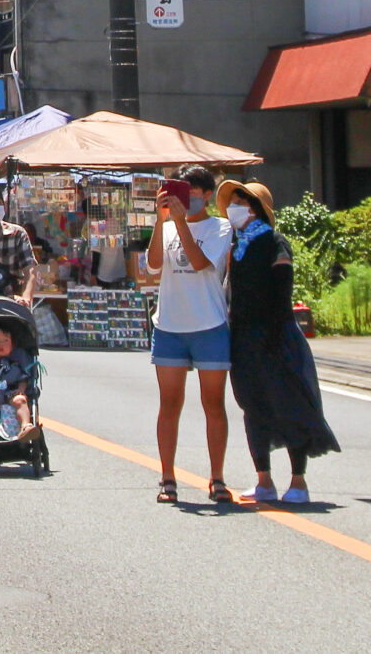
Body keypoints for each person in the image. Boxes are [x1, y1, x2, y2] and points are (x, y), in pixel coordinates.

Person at [218, 178, 341, 505]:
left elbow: (282, 289)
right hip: (242, 335)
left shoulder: (275, 241)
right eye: (235, 203)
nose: (235, 209)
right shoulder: (236, 244)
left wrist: (273, 332)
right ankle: (264, 480)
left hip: (276, 333)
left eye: (242, 203)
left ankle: (298, 481)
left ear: (257, 209)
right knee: (252, 406)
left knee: (289, 403)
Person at [146, 165, 233, 503]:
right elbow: (153, 265)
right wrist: (160, 219)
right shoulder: (167, 227)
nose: (185, 201)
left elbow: (200, 263)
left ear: (207, 195)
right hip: (169, 325)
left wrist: (180, 221)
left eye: (191, 195)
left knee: (213, 403)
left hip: (208, 325)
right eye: (179, 194)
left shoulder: (220, 227)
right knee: (169, 403)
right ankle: (167, 477)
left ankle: (217, 478)